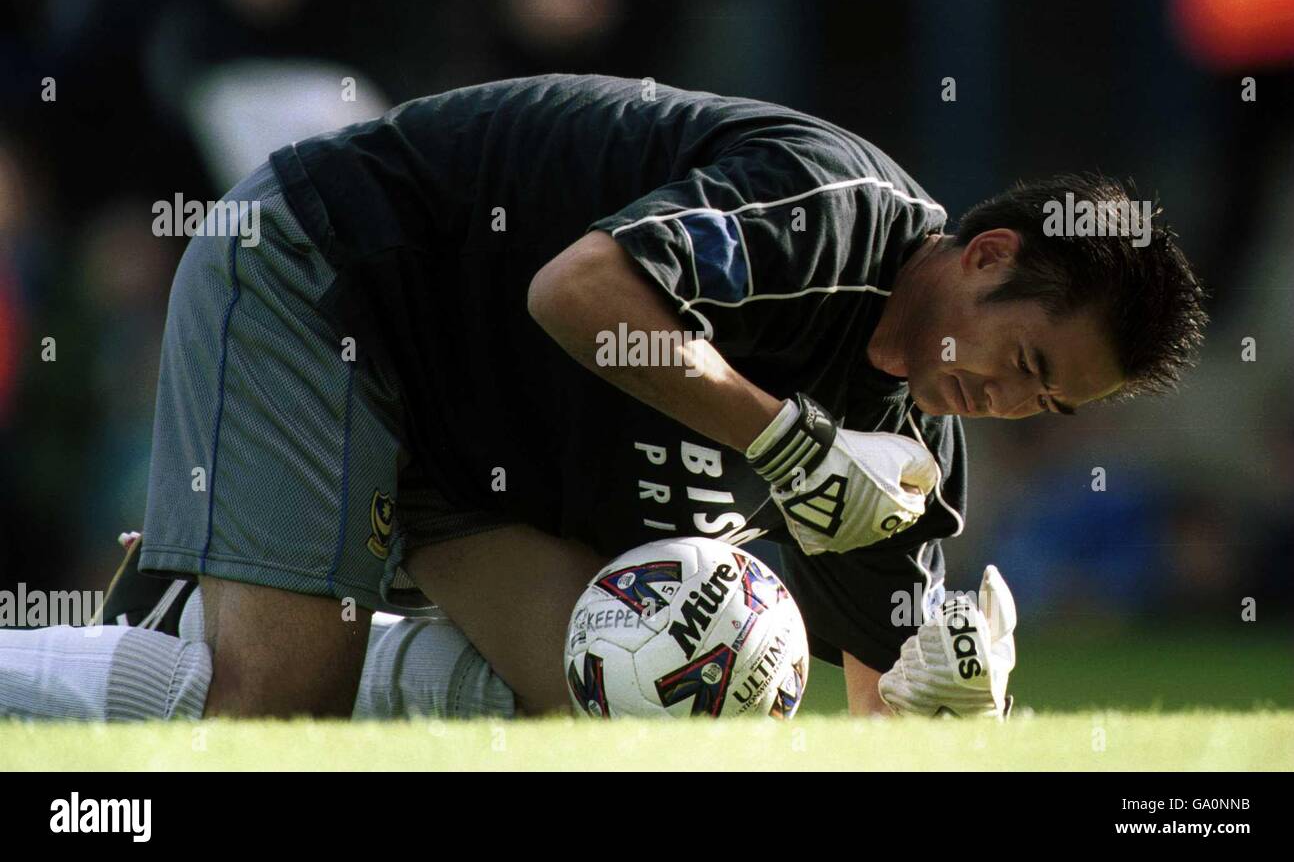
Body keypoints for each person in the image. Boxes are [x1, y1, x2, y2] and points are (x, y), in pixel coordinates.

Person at [11, 74, 1209, 720]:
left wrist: (944, 713)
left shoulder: (907, 454)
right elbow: (577, 291)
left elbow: (870, 705)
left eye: (1042, 409)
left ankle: (246, 597)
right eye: (1028, 363)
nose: (1004, 401)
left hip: (467, 443)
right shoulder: (829, 205)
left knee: (628, 711)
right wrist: (785, 445)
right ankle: (181, 636)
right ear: (988, 257)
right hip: (335, 275)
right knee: (274, 704)